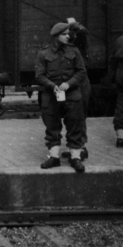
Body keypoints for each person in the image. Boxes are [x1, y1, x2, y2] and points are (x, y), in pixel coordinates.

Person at [35, 23, 87, 172]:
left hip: (72, 95)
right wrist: (52, 86)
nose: (68, 36)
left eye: (68, 34)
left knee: (75, 125)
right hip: (51, 96)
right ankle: (54, 158)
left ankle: (75, 158)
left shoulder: (74, 50)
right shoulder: (43, 53)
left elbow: (81, 72)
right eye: (64, 34)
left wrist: (69, 84)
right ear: (56, 36)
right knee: (52, 127)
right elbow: (39, 76)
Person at [67, 22, 90, 160]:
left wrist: (74, 24)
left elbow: (83, 32)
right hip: (74, 85)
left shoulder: (78, 45)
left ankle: (81, 148)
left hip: (80, 85)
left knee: (79, 117)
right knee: (73, 118)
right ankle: (76, 148)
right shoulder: (69, 47)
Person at [110, 35, 123, 147]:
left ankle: (120, 136)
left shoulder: (119, 40)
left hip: (121, 74)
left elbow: (113, 60)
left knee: (121, 104)